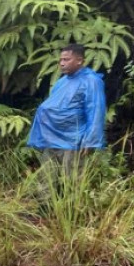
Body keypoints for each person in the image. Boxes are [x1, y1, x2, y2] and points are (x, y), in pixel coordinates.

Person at [27, 44, 107, 172]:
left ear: (79, 60)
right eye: (61, 60)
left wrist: (90, 141)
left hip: (73, 140)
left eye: (66, 59)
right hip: (51, 138)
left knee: (71, 180)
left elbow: (96, 111)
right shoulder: (62, 81)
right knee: (47, 180)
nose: (62, 63)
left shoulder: (91, 81)